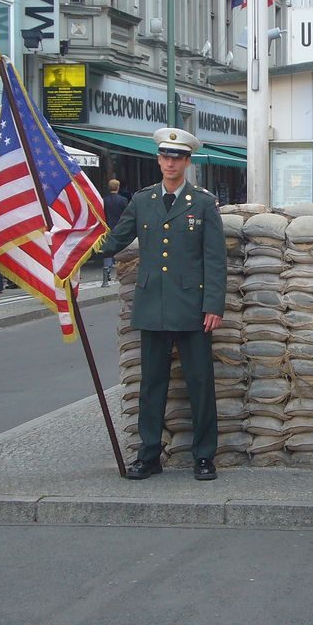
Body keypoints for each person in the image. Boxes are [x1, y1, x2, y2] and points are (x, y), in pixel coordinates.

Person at [99, 127, 227, 482]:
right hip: (152, 304)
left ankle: (204, 456)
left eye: (177, 157)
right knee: (151, 385)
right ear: (158, 160)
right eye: (165, 156)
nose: (170, 163)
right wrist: (71, 247)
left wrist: (213, 305)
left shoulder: (202, 202)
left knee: (199, 384)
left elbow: (214, 258)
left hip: (192, 307)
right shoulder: (142, 200)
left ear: (187, 161)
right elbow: (115, 240)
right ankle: (149, 455)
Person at [102, 179, 129, 280]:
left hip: (107, 226)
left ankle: (107, 269)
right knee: (120, 249)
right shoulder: (123, 200)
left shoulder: (104, 200)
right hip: (119, 226)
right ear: (118, 187)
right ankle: (120, 269)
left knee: (108, 248)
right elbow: (126, 215)